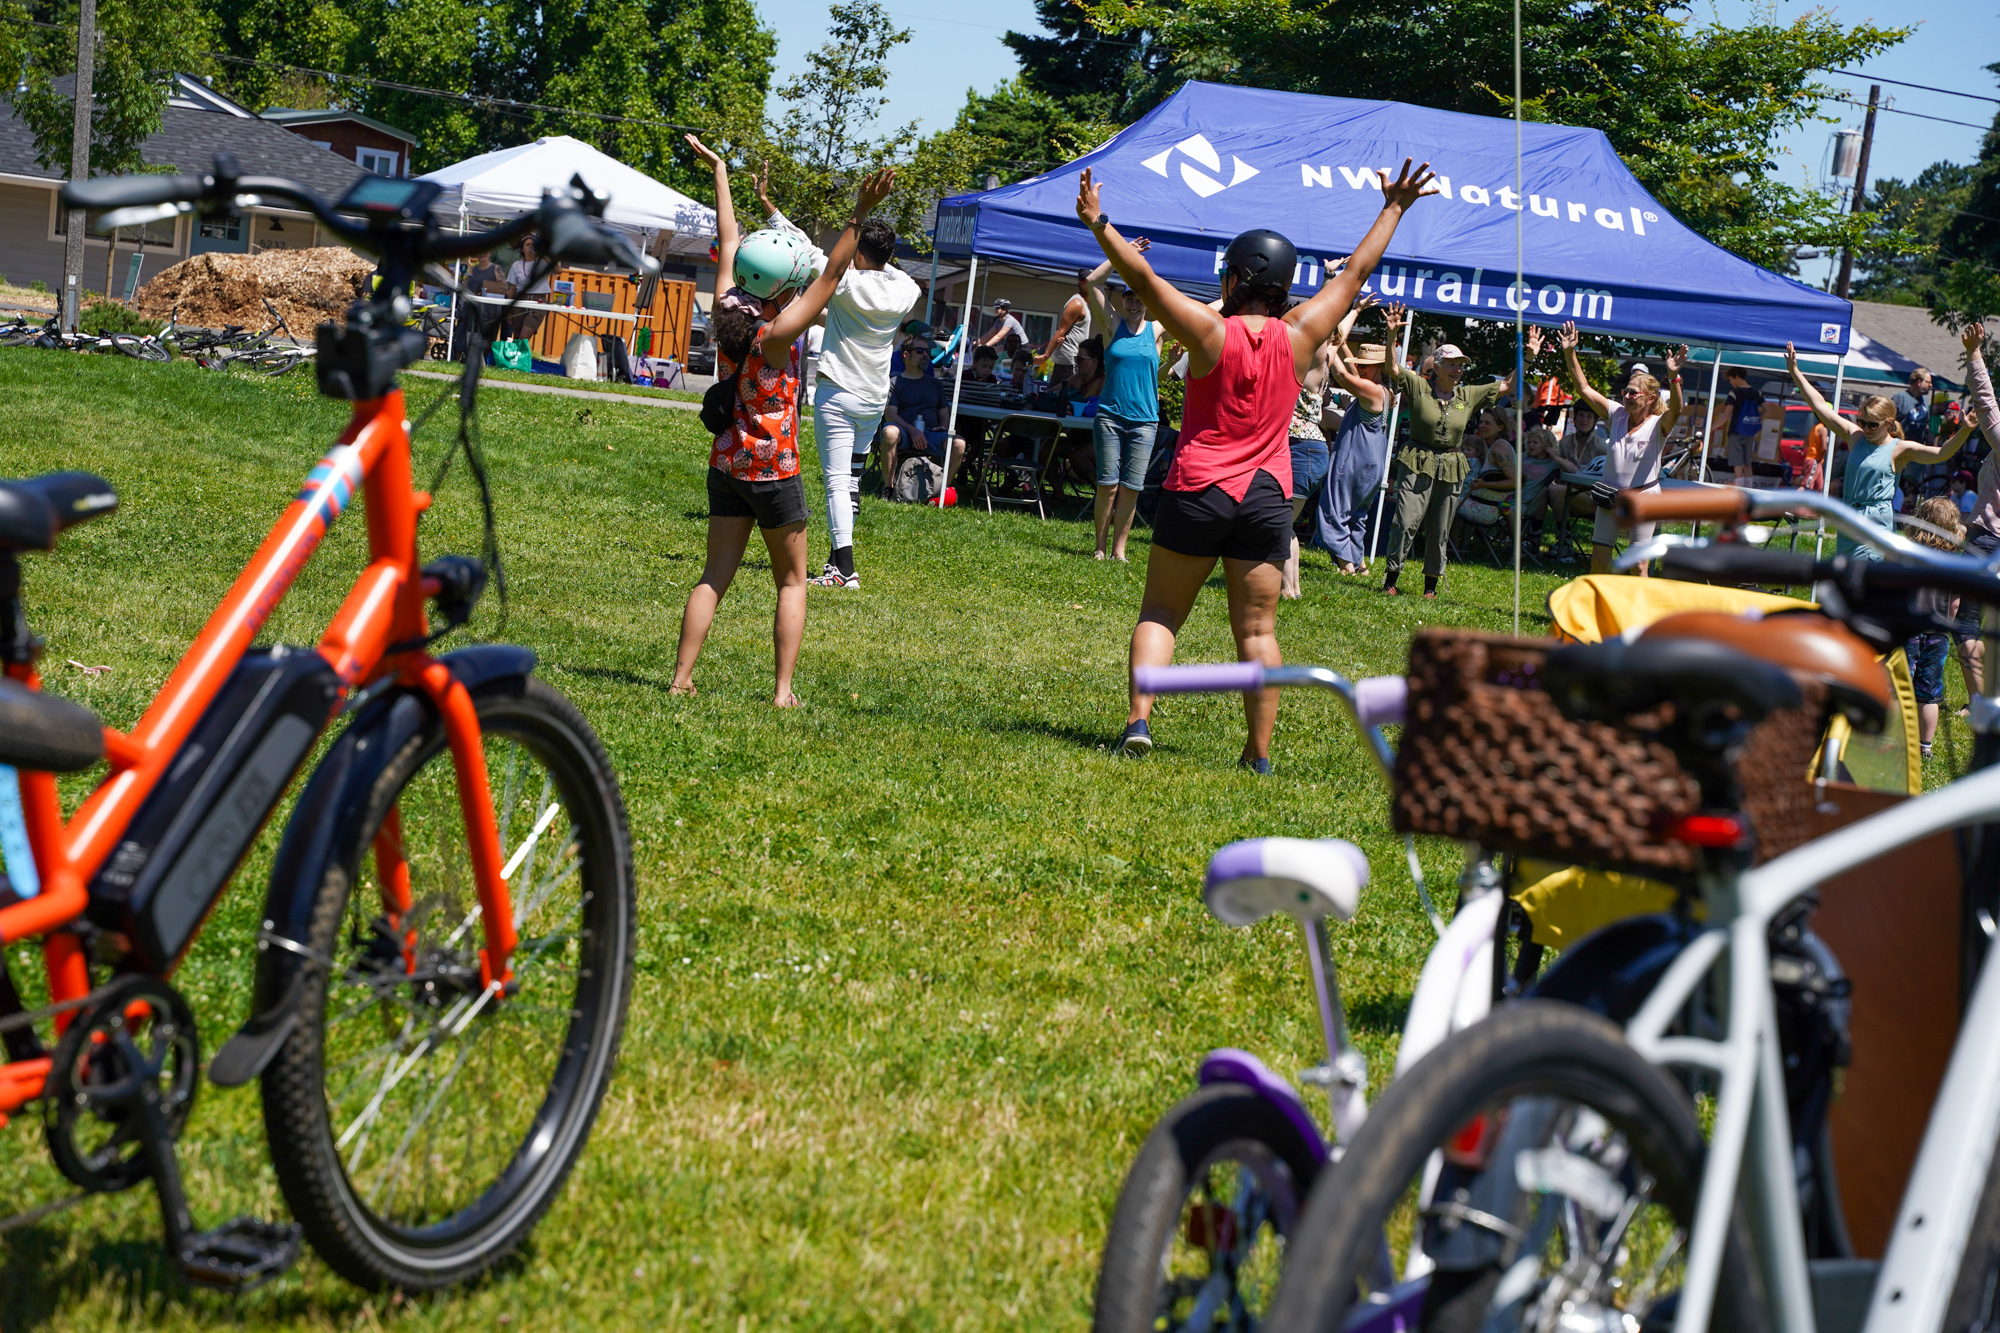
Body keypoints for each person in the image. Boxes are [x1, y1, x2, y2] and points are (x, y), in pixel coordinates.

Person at [1080, 157, 1438, 771]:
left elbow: (1142, 280)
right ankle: (1258, 753)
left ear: (1235, 279)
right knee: (1258, 633)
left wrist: (1099, 223)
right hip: (1267, 493)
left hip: (1198, 486)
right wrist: (1395, 206)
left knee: (1162, 613)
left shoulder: (1207, 330)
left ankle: (1139, 721)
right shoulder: (1302, 332)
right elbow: (1357, 272)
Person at [670, 135, 894, 706]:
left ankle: (680, 679)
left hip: (727, 464)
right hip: (775, 471)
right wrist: (860, 213)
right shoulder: (777, 336)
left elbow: (727, 239)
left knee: (713, 575)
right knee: (792, 581)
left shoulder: (726, 310)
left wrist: (720, 173)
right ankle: (782, 691)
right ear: (781, 290)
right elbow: (834, 272)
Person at [750, 169, 920, 592]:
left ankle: (844, 569)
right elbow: (880, 269)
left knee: (835, 483)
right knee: (851, 480)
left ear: (857, 253)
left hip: (840, 393)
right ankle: (834, 560)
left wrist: (769, 207)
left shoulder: (844, 284)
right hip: (874, 399)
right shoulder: (906, 288)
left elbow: (802, 249)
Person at [1380, 329, 1543, 596]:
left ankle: (1430, 586)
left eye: (1461, 365)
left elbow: (1507, 386)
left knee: (1441, 525)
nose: (1458, 370)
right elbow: (1392, 367)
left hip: (1451, 463)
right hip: (1418, 459)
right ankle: (1391, 580)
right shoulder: (1420, 386)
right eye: (1453, 364)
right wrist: (1391, 335)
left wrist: (1528, 357)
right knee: (1406, 520)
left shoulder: (1467, 395)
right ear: (1438, 366)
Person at [1785, 341, 1971, 560]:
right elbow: (1818, 404)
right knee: (1847, 579)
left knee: (1863, 578)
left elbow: (1942, 454)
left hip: (1875, 522)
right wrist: (1795, 371)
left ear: (1888, 422)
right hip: (1848, 517)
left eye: (1872, 424)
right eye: (1861, 422)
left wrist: (1965, 429)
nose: (1865, 428)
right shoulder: (1856, 437)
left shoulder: (1899, 449)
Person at [1559, 322, 1688, 575]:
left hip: (1645, 499)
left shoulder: (1658, 424)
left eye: (1633, 394)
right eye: (1625, 392)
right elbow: (1583, 389)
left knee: (1639, 565)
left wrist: (1674, 378)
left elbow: (1677, 409)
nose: (1626, 396)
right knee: (1598, 561)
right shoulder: (1616, 414)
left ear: (1650, 399)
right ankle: (1602, 610)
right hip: (1610, 496)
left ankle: (1637, 614)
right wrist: (1569, 352)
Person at [1082, 259, 1163, 562]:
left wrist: (1233, 294)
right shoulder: (1111, 324)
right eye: (1130, 297)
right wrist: (1121, 255)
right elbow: (1092, 283)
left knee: (1131, 488)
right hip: (1110, 418)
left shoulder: (1156, 330)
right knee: (1108, 485)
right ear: (1123, 299)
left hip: (1145, 422)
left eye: (1140, 297)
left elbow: (1201, 311)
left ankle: (1120, 550)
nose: (1134, 303)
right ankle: (1100, 548)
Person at [1316, 307, 1402, 575]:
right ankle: (1361, 564)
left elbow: (1342, 375)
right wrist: (1343, 346)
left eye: (1365, 366)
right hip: (1374, 464)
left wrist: (1331, 346)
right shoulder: (1388, 391)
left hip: (1355, 460)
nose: (1360, 368)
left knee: (1334, 508)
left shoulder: (1370, 390)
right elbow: (1352, 367)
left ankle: (1346, 564)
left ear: (1376, 369)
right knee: (1357, 514)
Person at [1956, 325, 2000, 702]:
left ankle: (1978, 704)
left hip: (1989, 540)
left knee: (1967, 624)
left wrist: (1974, 354)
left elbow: (1985, 403)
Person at [1908, 495, 1968, 760]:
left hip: (1908, 628)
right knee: (1929, 694)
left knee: (1899, 683)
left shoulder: (1908, 555)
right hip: (1938, 634)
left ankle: (1891, 738)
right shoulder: (1955, 563)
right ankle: (1925, 747)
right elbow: (1954, 605)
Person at [877, 328, 968, 495]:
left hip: (930, 434)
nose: (925, 355)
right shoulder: (895, 382)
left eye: (927, 351)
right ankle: (888, 489)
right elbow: (891, 415)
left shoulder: (935, 384)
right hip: (904, 432)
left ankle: (939, 491)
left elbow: (943, 413)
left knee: (959, 444)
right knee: (890, 432)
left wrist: (944, 426)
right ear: (906, 355)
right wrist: (913, 431)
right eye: (919, 351)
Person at [1039, 272, 1092, 388]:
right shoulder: (1077, 303)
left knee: (1052, 395)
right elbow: (1060, 331)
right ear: (1080, 283)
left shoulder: (1086, 302)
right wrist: (1045, 356)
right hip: (1070, 358)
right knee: (1070, 397)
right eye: (1090, 281)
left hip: (1067, 357)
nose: (1093, 283)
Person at [1722, 366, 1765, 485]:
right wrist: (1755, 417)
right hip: (1750, 431)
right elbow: (1768, 410)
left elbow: (1725, 416)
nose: (1731, 383)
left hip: (1736, 431)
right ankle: (1749, 491)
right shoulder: (1757, 393)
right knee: (1747, 464)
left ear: (1737, 377)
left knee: (1737, 464)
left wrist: (1710, 429)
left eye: (1731, 379)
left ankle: (1739, 493)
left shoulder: (1734, 393)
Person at [505, 236, 552, 343]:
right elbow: (512, 289)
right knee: (516, 337)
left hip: (538, 301)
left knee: (524, 336)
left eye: (533, 244)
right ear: (522, 249)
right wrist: (508, 312)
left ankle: (521, 358)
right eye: (527, 244)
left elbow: (558, 270)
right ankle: (518, 359)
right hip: (520, 300)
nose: (531, 247)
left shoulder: (543, 262)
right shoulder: (516, 265)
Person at [1894, 366, 1935, 444]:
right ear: (1919, 383)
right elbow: (1889, 422)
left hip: (1918, 449)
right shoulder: (1900, 398)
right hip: (1900, 446)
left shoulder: (1925, 401)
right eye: (1928, 382)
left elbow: (1926, 424)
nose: (1931, 385)